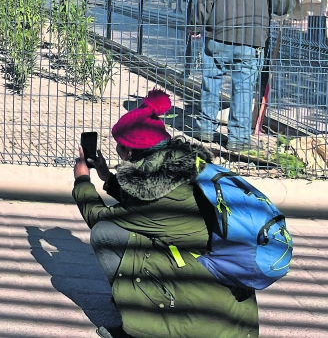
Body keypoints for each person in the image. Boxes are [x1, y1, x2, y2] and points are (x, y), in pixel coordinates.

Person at [73, 89, 260, 338]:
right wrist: (107, 177)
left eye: (119, 144)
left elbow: (99, 216)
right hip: (232, 307)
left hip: (208, 321)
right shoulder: (184, 165)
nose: (116, 148)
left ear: (130, 153)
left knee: (105, 233)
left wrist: (82, 180)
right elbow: (146, 203)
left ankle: (143, 328)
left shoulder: (154, 192)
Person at [191, 0, 297, 150]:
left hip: (217, 36)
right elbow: (280, 8)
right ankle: (238, 139)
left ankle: (205, 129)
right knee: (244, 88)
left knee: (211, 82)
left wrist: (195, 25)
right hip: (252, 41)